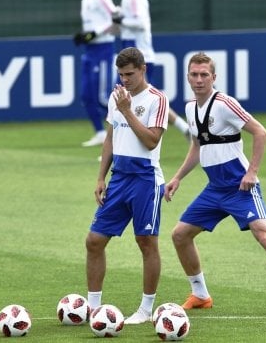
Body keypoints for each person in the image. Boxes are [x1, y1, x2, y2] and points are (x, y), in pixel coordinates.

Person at [164, 52, 266, 316]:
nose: (199, 80)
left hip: (240, 186)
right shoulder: (189, 108)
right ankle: (200, 295)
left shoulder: (224, 103)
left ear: (214, 77)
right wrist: (177, 177)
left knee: (264, 234)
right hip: (214, 190)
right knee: (180, 235)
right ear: (187, 76)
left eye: (204, 75)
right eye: (194, 74)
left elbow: (260, 131)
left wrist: (252, 172)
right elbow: (197, 147)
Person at [85, 47, 169, 324]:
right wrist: (101, 177)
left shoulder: (157, 99)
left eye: (129, 74)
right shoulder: (116, 95)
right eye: (121, 75)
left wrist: (127, 111)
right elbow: (110, 137)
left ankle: (146, 309)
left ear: (143, 69)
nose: (124, 80)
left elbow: (151, 141)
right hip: (119, 177)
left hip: (145, 178)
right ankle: (93, 307)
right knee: (94, 241)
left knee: (146, 242)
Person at [114, 0, 190, 140]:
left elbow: (140, 22)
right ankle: (185, 129)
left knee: (141, 98)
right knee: (137, 98)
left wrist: (121, 19)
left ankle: (127, 141)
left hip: (138, 56)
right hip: (135, 54)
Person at [74, 0, 119, 147]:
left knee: (103, 97)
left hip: (103, 49)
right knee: (86, 95)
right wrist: (84, 36)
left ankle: (121, 132)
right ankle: (100, 133)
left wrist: (95, 34)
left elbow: (116, 16)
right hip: (89, 51)